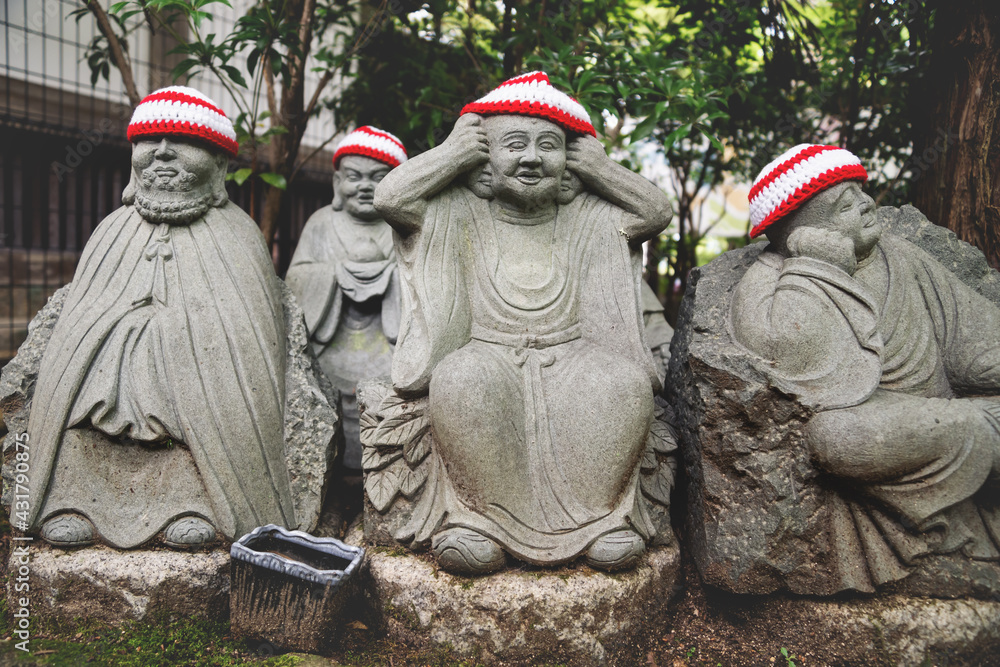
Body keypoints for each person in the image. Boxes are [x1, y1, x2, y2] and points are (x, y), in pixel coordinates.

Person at [374, 71, 672, 573]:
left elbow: (654, 211)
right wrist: (452, 152)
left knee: (622, 385)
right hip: (489, 351)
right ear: (484, 155)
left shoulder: (588, 216)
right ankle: (479, 523)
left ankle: (601, 522)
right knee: (460, 380)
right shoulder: (459, 211)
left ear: (569, 162)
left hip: (573, 353)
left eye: (549, 146)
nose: (531, 157)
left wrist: (600, 168)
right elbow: (390, 200)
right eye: (514, 144)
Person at [24, 86, 296, 549]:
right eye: (150, 140)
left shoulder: (237, 236)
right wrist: (115, 332)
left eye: (182, 142)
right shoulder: (110, 231)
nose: (164, 152)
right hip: (103, 398)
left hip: (186, 406)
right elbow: (77, 329)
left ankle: (196, 506)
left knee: (194, 401)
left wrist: (176, 337)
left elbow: (247, 345)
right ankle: (71, 501)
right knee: (80, 402)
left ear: (218, 163)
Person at [731, 144, 1000, 567]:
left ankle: (978, 430)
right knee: (836, 439)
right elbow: (804, 376)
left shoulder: (900, 256)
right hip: (870, 419)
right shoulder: (767, 283)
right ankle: (979, 437)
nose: (864, 205)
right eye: (843, 205)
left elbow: (974, 336)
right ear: (799, 230)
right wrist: (819, 269)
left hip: (940, 411)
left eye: (860, 191)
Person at [286, 127, 406, 469]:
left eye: (378, 178)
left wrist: (390, 277)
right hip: (331, 338)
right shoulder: (321, 223)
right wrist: (336, 274)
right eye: (354, 177)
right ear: (338, 183)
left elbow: (422, 284)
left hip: (386, 342)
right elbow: (297, 279)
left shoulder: (404, 226)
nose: (365, 186)